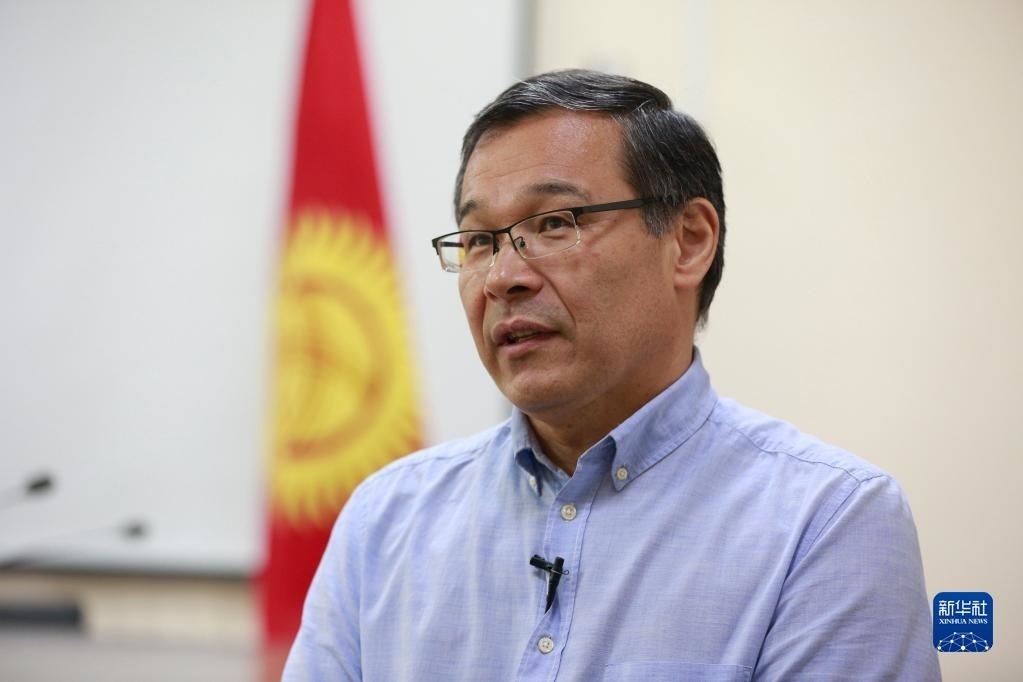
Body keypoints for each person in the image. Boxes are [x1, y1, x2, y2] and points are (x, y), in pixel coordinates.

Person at [283, 69, 940, 680]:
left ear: (688, 240)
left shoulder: (827, 521)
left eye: (554, 223)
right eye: (480, 240)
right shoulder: (386, 519)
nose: (503, 277)